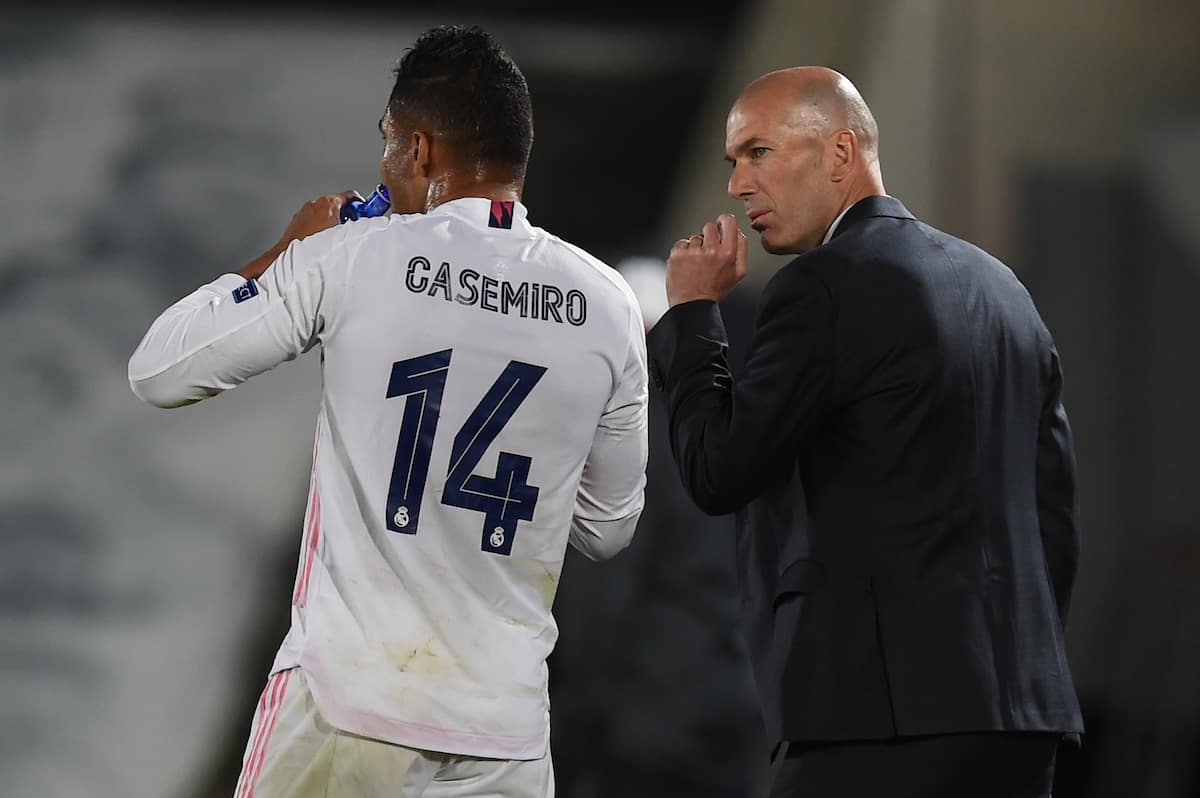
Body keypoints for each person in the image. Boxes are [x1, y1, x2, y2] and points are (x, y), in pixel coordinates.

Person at [128, 25, 648, 798]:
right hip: (501, 737)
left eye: (387, 143)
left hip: (350, 709)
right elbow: (608, 530)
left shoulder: (352, 257)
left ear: (421, 150)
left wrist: (287, 247)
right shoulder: (606, 303)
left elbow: (161, 370)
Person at [647, 66, 1083, 797]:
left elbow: (717, 469)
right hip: (1021, 720)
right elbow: (1056, 519)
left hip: (880, 719)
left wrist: (693, 314)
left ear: (840, 154)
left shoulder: (824, 285)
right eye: (732, 161)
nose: (737, 185)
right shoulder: (1006, 292)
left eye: (758, 152)